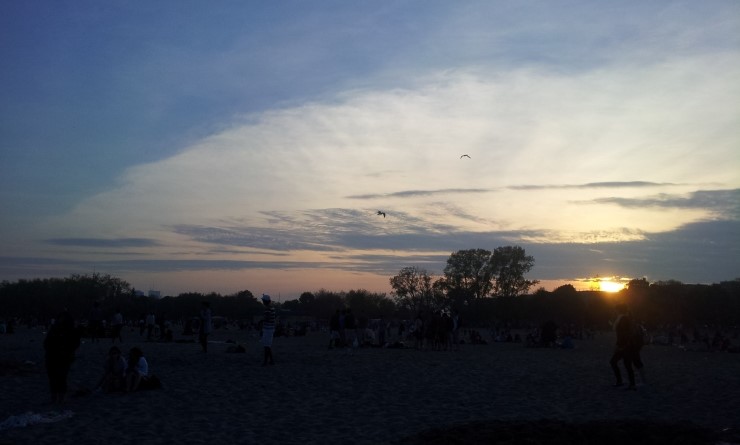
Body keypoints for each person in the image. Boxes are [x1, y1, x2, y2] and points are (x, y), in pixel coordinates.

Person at [44, 310, 81, 404]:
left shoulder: (71, 330)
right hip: (53, 356)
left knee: (61, 377)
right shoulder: (54, 329)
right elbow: (47, 342)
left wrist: (67, 350)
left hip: (63, 357)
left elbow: (75, 344)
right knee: (54, 378)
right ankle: (55, 397)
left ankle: (60, 397)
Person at [610, 304, 636, 389]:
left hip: (625, 345)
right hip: (626, 344)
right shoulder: (624, 318)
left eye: (616, 310)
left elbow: (623, 333)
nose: (614, 311)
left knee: (616, 362)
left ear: (618, 310)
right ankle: (629, 383)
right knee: (626, 364)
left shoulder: (623, 319)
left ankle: (624, 382)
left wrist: (619, 345)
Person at [260, 294, 276, 365]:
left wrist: (261, 322)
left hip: (268, 329)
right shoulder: (272, 308)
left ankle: (265, 362)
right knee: (267, 345)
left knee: (266, 346)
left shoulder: (267, 309)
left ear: (265, 301)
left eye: (263, 300)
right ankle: (271, 361)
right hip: (270, 328)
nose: (262, 301)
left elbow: (267, 318)